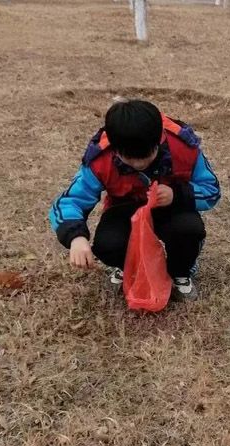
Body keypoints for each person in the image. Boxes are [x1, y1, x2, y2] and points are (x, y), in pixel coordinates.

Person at [50, 99, 220, 301]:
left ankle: (180, 272)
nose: (139, 164)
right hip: (124, 209)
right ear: (114, 148)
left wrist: (177, 194)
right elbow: (70, 201)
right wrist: (76, 237)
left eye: (146, 156)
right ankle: (128, 268)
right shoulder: (99, 160)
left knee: (189, 230)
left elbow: (212, 190)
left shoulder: (184, 147)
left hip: (171, 209)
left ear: (160, 139)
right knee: (108, 244)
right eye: (128, 158)